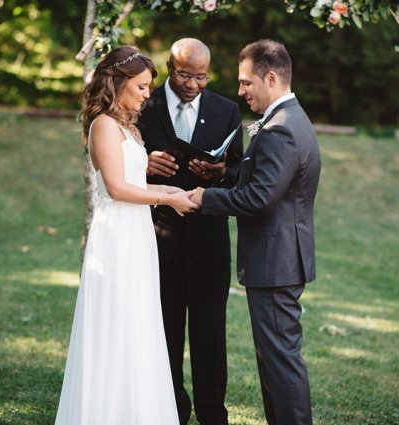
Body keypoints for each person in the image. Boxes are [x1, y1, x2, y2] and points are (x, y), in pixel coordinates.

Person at [54, 45, 199, 425]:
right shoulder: (103, 124)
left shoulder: (128, 127)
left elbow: (137, 181)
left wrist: (176, 193)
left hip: (137, 233)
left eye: (149, 87)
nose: (147, 94)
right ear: (116, 83)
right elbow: (117, 189)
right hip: (117, 235)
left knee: (138, 321)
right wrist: (165, 201)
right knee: (117, 322)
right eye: (141, 86)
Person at [191, 39, 321, 425]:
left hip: (276, 262)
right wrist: (225, 175)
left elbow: (259, 199)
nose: (240, 91)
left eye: (247, 82)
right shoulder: (290, 118)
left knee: (281, 362)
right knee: (275, 360)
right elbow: (264, 184)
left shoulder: (280, 128)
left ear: (270, 77)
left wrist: (204, 198)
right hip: (279, 259)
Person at [137, 38, 243, 425]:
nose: (193, 84)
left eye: (202, 77)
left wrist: (220, 174)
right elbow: (122, 163)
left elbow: (238, 174)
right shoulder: (143, 105)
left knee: (210, 336)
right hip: (157, 240)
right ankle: (171, 411)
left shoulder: (226, 110)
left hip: (209, 244)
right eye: (184, 74)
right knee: (163, 332)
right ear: (168, 65)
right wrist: (144, 165)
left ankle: (213, 414)